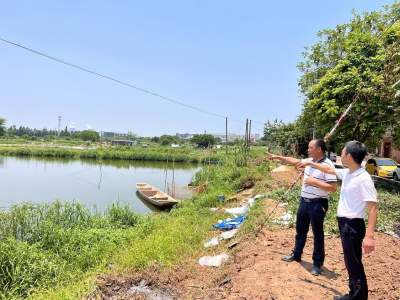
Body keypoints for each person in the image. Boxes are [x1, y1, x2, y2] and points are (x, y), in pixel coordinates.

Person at [297, 141, 378, 300]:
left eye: (342, 152)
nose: (340, 155)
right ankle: (353, 294)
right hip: (346, 224)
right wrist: (311, 164)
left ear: (349, 155)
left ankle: (358, 297)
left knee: (354, 264)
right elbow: (329, 169)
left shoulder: (364, 178)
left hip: (353, 226)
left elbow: (373, 208)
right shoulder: (349, 173)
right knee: (350, 262)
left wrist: (369, 236)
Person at [266, 139, 337, 275]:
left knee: (317, 234)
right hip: (304, 201)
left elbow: (333, 188)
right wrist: (278, 157)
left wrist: (314, 182)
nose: (308, 150)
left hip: (318, 203)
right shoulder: (310, 161)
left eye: (310, 148)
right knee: (300, 230)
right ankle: (296, 254)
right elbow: (294, 161)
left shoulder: (327, 165)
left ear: (319, 149)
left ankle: (317, 263)